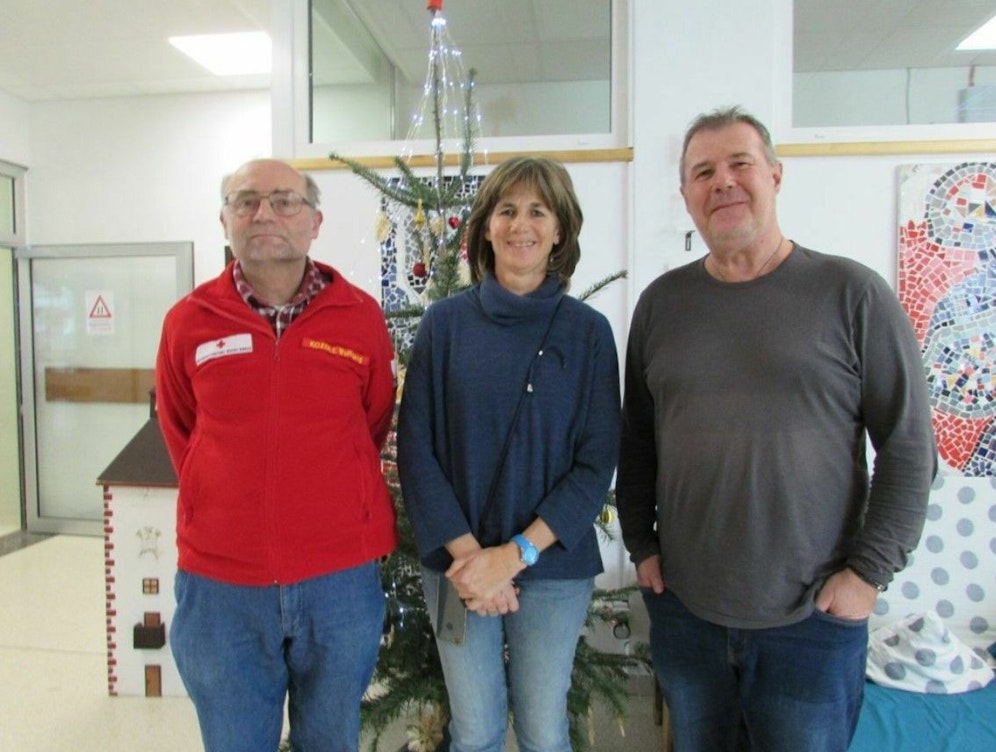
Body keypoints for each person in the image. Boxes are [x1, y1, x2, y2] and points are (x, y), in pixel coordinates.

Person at [616, 107, 937, 752]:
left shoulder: (852, 293)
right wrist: (641, 546)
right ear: (686, 197)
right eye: (703, 172)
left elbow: (908, 447)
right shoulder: (661, 304)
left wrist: (867, 575)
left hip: (812, 621)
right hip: (687, 612)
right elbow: (638, 438)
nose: (723, 182)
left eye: (740, 164)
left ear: (776, 176)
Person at [155, 158, 398, 752]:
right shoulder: (188, 323)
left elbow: (373, 420)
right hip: (221, 588)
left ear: (315, 221)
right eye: (246, 201)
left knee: (330, 740)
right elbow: (181, 429)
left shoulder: (359, 317)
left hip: (339, 581)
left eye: (285, 200)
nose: (265, 213)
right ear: (224, 220)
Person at [396, 156, 620, 752]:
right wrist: (475, 561)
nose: (522, 224)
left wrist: (516, 555)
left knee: (545, 732)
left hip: (551, 565)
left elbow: (597, 462)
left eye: (538, 211)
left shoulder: (589, 333)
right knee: (475, 733)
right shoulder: (444, 326)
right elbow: (416, 448)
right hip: (457, 565)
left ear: (560, 230)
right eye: (507, 210)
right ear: (486, 229)